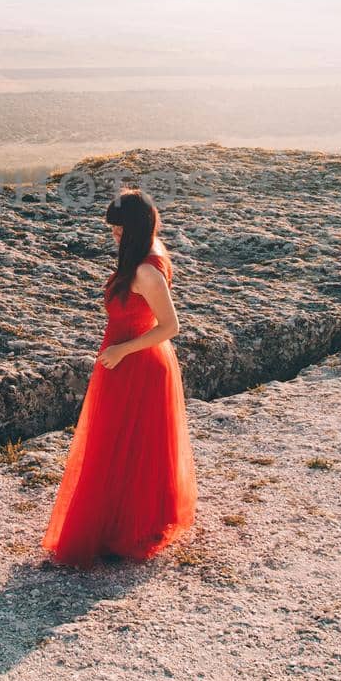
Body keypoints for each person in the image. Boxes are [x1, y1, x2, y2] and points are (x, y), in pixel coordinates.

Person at [41, 187, 198, 568]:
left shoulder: (146, 270)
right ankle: (119, 521)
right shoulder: (144, 253)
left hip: (137, 364)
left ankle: (124, 528)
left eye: (118, 230)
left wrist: (120, 351)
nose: (113, 236)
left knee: (122, 447)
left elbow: (171, 326)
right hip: (125, 361)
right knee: (124, 447)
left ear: (137, 229)